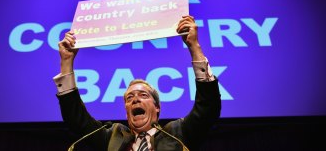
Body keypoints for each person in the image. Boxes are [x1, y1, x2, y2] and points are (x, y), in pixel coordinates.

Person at [53, 15, 221, 151]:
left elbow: (207, 107)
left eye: (143, 95)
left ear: (157, 107)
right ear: (126, 111)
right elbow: (76, 118)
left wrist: (194, 47)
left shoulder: (177, 133)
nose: (135, 100)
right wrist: (66, 62)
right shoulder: (111, 136)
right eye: (129, 98)